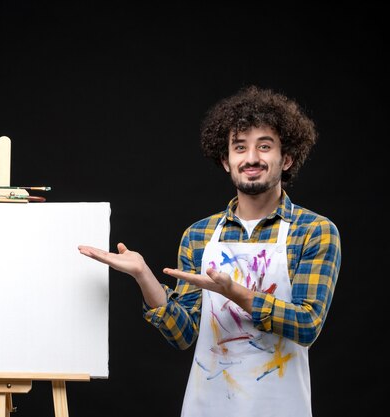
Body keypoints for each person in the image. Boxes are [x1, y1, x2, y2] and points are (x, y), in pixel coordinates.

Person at [78, 85, 341, 417]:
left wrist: (236, 293)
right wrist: (145, 277)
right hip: (208, 405)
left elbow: (307, 325)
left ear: (286, 158)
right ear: (226, 160)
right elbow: (183, 334)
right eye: (240, 147)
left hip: (281, 406)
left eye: (264, 146)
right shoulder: (199, 235)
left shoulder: (314, 231)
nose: (252, 158)